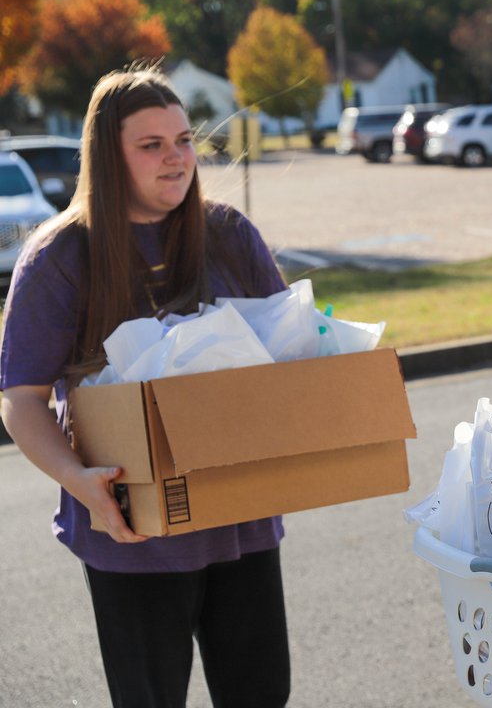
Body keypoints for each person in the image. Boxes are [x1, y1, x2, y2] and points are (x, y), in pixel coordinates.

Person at [0, 67, 291, 707]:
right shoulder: (59, 258)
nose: (176, 158)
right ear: (109, 157)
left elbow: (294, 352)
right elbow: (21, 400)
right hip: (131, 534)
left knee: (262, 696)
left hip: (240, 517)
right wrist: (79, 482)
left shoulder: (228, 234)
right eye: (151, 144)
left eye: (184, 140)